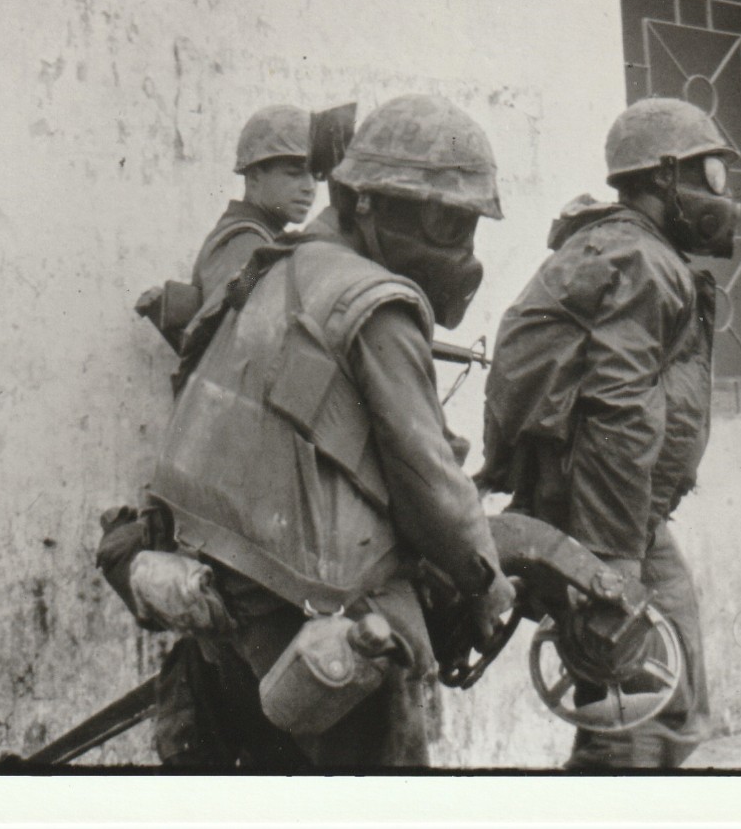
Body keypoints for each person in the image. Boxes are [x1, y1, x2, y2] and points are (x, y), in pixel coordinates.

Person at [143, 94, 515, 767]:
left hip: (218, 590)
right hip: (320, 621)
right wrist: (485, 578)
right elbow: (426, 473)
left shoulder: (274, 265)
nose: (456, 242)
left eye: (461, 220)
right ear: (369, 203)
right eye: (440, 217)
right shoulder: (376, 302)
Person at [479, 97, 738, 769]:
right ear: (662, 179)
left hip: (613, 510)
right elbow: (616, 412)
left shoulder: (635, 253)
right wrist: (614, 556)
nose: (723, 194)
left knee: (650, 686)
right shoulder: (638, 260)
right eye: (710, 175)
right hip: (606, 513)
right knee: (638, 686)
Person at [135, 103, 318, 351]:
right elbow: (242, 333)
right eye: (294, 174)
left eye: (314, 175)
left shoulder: (263, 237)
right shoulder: (248, 242)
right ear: (254, 178)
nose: (309, 187)